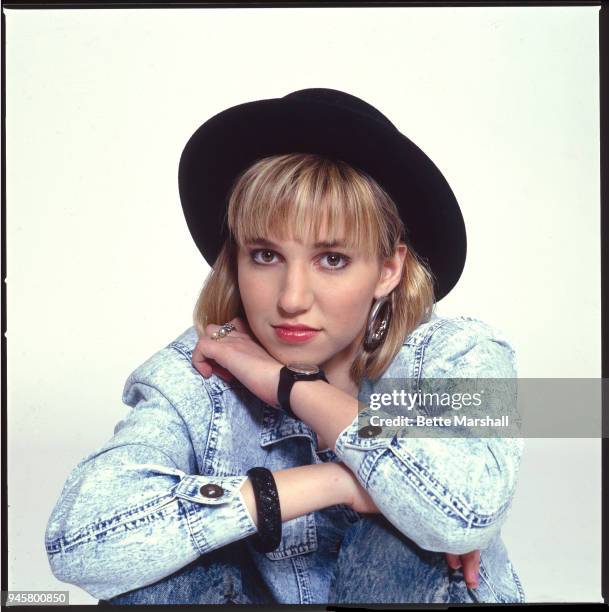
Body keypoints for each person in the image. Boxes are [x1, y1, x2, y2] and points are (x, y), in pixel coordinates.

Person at [45, 88, 525, 605]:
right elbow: (78, 541)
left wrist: (291, 387)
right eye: (266, 255)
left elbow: (468, 511)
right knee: (156, 576)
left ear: (389, 269)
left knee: (406, 540)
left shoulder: (457, 353)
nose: (292, 299)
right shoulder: (204, 369)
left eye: (332, 259)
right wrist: (333, 483)